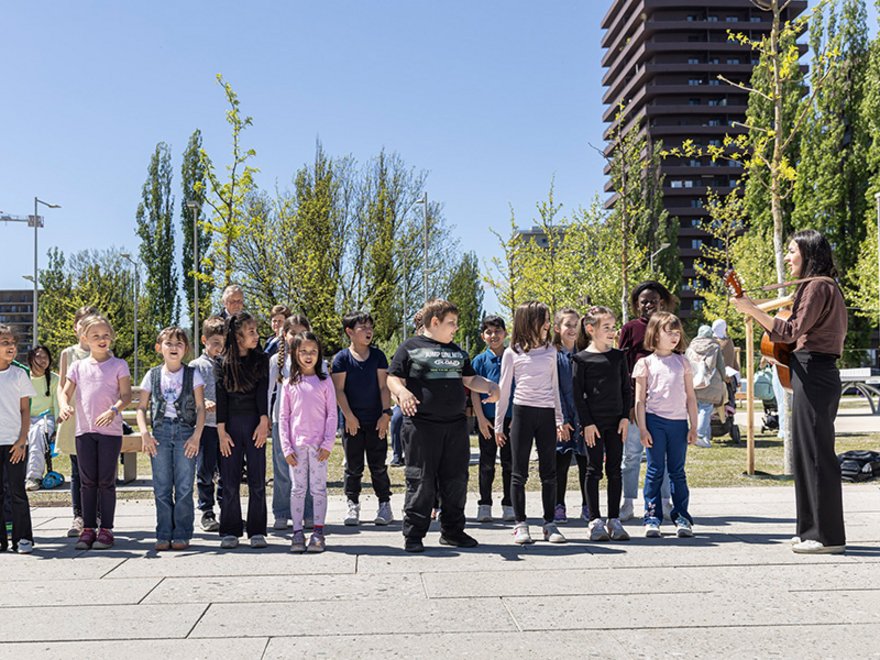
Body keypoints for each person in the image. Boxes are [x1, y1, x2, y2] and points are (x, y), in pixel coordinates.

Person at [731, 229, 848, 555]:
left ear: (808, 254)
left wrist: (752, 310)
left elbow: (788, 331)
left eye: (792, 251)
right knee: (805, 453)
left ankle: (827, 537)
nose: (786, 257)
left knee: (815, 455)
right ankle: (810, 529)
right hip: (812, 372)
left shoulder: (817, 286)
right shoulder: (823, 287)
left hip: (814, 372)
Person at [387, 298, 500, 553]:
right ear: (434, 322)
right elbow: (393, 378)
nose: (456, 328)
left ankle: (452, 531)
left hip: (455, 426)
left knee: (456, 480)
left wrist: (492, 387)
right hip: (421, 426)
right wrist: (402, 393)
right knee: (421, 480)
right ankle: (414, 534)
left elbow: (470, 379)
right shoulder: (410, 347)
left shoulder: (457, 352)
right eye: (452, 323)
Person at [495, 301, 569, 545]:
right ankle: (520, 524)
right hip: (522, 414)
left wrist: (559, 418)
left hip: (546, 414)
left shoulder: (551, 351)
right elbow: (503, 391)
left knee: (550, 472)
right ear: (529, 322)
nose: (548, 324)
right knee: (519, 473)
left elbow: (555, 387)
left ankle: (549, 524)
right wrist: (498, 425)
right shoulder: (512, 352)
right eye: (544, 319)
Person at [58, 314, 132, 550]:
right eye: (96, 336)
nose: (102, 339)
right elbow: (64, 391)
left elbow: (126, 396)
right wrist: (64, 406)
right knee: (87, 482)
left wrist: (113, 410)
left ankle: (106, 530)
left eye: (106, 335)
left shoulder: (119, 364)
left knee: (106, 482)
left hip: (110, 433)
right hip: (84, 431)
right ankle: (88, 528)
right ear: (84, 338)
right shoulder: (77, 366)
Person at [136, 327, 206, 551]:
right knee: (162, 486)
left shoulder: (193, 374)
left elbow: (200, 408)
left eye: (179, 344)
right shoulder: (152, 375)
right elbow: (141, 408)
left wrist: (196, 435)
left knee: (184, 485)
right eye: (169, 343)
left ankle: (182, 532)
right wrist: (144, 433)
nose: (173, 347)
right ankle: (164, 532)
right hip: (160, 434)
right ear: (159, 348)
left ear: (186, 349)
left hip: (186, 433)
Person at [633, 312, 697, 539]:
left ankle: (682, 517)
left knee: (677, 472)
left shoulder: (683, 362)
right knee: (655, 470)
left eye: (677, 332)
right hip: (654, 422)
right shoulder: (645, 364)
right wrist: (642, 428)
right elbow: (640, 400)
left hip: (679, 423)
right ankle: (651, 517)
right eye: (668, 332)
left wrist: (693, 426)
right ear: (654, 333)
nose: (674, 336)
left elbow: (691, 397)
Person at [572, 307, 632, 542]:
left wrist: (625, 417)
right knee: (593, 470)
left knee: (615, 470)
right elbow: (577, 394)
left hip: (616, 422)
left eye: (612, 326)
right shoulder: (581, 359)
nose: (612, 331)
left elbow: (626, 389)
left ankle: (614, 520)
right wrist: (587, 423)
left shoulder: (619, 357)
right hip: (593, 425)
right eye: (606, 327)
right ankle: (595, 520)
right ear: (590, 329)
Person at [332, 311, 393, 527]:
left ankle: (385, 504)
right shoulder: (341, 359)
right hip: (352, 422)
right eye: (362, 327)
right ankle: (352, 504)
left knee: (378, 466)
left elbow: (384, 386)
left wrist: (386, 414)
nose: (368, 331)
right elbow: (339, 390)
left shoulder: (378, 356)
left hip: (376, 420)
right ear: (349, 331)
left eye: (370, 327)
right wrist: (348, 416)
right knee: (353, 466)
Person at [215, 312, 270, 549]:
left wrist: (263, 422)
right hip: (230, 426)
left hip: (255, 423)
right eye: (251, 332)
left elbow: (262, 394)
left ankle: (257, 530)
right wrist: (221, 432)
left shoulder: (262, 359)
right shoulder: (221, 362)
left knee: (257, 479)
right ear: (237, 337)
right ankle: (230, 529)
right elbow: (221, 399)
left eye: (256, 331)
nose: (256, 336)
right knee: (229, 480)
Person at [618, 281, 672, 521]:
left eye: (653, 300)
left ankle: (664, 502)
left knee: (663, 458)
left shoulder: (669, 326)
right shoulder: (629, 328)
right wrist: (628, 403)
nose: (649, 305)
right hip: (635, 404)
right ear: (636, 305)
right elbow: (622, 366)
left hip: (664, 405)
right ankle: (628, 502)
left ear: (661, 302)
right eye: (644, 301)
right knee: (631, 456)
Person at [279, 331, 337, 553]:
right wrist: (286, 447)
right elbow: (284, 417)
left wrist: (328, 444)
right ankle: (297, 534)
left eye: (313, 351)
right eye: (303, 351)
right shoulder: (289, 383)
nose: (308, 355)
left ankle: (318, 533)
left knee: (319, 489)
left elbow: (332, 414)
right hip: (296, 447)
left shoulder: (325, 382)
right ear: (295, 354)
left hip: (319, 447)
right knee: (298, 489)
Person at [268, 314, 314, 530]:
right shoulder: (276, 362)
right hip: (282, 422)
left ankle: (308, 511)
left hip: (308, 423)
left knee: (308, 469)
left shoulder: (315, 360)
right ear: (283, 335)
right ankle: (282, 511)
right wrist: (268, 418)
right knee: (282, 468)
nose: (296, 337)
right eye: (291, 332)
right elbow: (270, 392)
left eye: (300, 332)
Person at [56, 305, 99, 538]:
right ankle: (79, 515)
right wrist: (63, 406)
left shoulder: (104, 352)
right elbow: (61, 386)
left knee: (99, 470)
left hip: (98, 419)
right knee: (77, 470)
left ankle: (99, 514)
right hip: (75, 418)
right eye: (82, 324)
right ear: (76, 328)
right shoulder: (68, 353)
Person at [471, 315, 514, 523]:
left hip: (510, 420)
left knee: (510, 463)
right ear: (483, 336)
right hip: (487, 421)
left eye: (497, 331)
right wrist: (480, 419)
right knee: (486, 463)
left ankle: (509, 504)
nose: (493, 335)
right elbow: (473, 392)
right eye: (488, 332)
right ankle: (485, 504)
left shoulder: (513, 357)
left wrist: (518, 417)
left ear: (505, 333)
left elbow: (519, 388)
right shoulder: (479, 361)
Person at [0, 325, 37, 553]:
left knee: (17, 492)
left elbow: (25, 411)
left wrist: (22, 441)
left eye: (13, 342)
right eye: (5, 342)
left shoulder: (19, 374)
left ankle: (23, 539)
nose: (11, 346)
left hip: (15, 444)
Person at [552, 307, 588, 525]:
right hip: (562, 419)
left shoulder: (585, 355)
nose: (573, 329)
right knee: (561, 464)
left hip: (583, 418)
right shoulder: (553, 356)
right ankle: (558, 505)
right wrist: (562, 419)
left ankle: (588, 504)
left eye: (576, 325)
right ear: (557, 328)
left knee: (586, 463)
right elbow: (554, 389)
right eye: (568, 325)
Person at [190, 316, 225, 533]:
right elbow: (189, 396)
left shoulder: (228, 364)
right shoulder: (196, 366)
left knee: (226, 472)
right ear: (204, 340)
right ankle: (206, 511)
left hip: (224, 427)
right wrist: (203, 402)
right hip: (205, 428)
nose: (219, 348)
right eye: (215, 343)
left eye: (223, 343)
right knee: (204, 471)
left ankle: (227, 510)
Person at [685, 325, 727, 448]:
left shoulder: (691, 346)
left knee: (696, 409)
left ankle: (704, 437)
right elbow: (720, 365)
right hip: (709, 382)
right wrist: (724, 377)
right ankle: (699, 435)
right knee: (706, 408)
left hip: (693, 381)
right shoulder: (714, 347)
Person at [25, 346, 59, 491]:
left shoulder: (54, 379)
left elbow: (58, 406)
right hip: (25, 418)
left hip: (46, 418)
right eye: (38, 356)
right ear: (31, 359)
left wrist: (58, 429)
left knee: (36, 432)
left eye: (45, 357)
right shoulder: (23, 377)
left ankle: (34, 477)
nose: (42, 360)